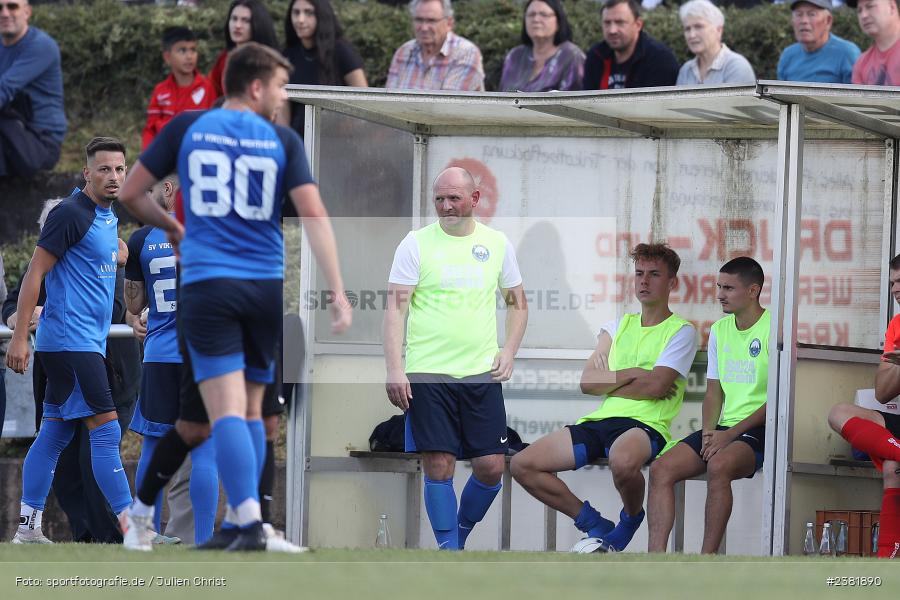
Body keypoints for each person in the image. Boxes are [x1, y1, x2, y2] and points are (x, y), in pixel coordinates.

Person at [116, 42, 352, 552]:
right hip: (261, 287)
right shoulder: (282, 139)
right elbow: (315, 217)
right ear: (256, 86)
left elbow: (131, 193)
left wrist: (173, 226)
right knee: (238, 414)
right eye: (281, 85)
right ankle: (249, 524)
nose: (284, 95)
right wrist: (337, 288)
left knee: (235, 414)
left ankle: (246, 522)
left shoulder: (185, 128)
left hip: (208, 287)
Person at [511, 243, 697, 553]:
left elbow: (656, 387)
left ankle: (631, 517)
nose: (644, 281)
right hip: (600, 421)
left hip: (645, 424)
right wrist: (635, 372)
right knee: (522, 464)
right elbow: (587, 382)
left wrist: (612, 380)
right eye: (639, 274)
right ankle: (593, 523)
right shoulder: (616, 326)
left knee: (622, 462)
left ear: (672, 283)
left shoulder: (682, 331)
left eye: (654, 274)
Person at [384, 166, 528, 550]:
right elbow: (395, 310)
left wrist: (509, 351)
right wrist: (395, 368)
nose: (446, 206)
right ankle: (449, 552)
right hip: (427, 373)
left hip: (481, 374)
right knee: (439, 465)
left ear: (475, 199)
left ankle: (458, 537)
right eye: (439, 199)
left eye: (454, 198)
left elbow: (518, 305)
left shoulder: (497, 244)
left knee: (491, 467)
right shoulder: (415, 244)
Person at [7, 137, 133, 544]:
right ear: (86, 173)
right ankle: (134, 530)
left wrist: (117, 255)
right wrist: (19, 339)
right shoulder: (70, 213)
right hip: (70, 344)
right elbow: (34, 274)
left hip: (79, 344)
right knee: (106, 432)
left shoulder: (105, 216)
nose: (113, 177)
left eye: (119, 169)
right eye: (104, 169)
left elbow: (90, 257)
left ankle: (27, 529)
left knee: (55, 434)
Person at [647, 257, 768, 554]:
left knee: (719, 465)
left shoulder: (774, 328)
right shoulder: (720, 329)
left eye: (729, 288)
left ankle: (707, 560)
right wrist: (709, 433)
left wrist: (728, 436)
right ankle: (654, 559)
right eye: (719, 286)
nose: (720, 294)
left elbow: (777, 399)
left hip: (761, 428)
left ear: (753, 291)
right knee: (661, 468)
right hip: (724, 429)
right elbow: (713, 392)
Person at [123, 174, 219, 548]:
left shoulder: (141, 238)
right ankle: (205, 540)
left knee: (153, 446)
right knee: (205, 449)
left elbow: (134, 305)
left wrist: (140, 317)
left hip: (161, 354)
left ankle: (144, 534)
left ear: (167, 190)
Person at [827, 253, 900, 558]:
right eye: (893, 282)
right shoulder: (897, 324)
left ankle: (888, 557)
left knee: (894, 470)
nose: (896, 289)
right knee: (838, 412)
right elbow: (883, 392)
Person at [280, 0, 367, 136]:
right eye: (296, 12)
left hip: (338, 141)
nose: (300, 20)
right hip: (299, 141)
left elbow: (364, 101)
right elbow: (282, 112)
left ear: (321, 15)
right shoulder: (288, 55)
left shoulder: (341, 51)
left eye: (309, 13)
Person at [0, 0, 66, 178]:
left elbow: (4, 90)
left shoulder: (41, 46)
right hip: (10, 132)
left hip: (40, 142)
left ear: (27, 12)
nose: (5, 13)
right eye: (0, 8)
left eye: (12, 6)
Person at [142, 27, 216, 150]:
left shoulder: (208, 87)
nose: (189, 56)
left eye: (193, 50)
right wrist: (148, 157)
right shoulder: (160, 91)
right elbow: (150, 130)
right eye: (182, 50)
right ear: (167, 57)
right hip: (165, 155)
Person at [386, 0, 484, 91]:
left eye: (431, 21)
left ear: (449, 23)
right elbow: (388, 101)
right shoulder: (403, 52)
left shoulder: (465, 53)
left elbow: (449, 105)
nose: (424, 28)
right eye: (419, 20)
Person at [582, 0, 679, 90]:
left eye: (620, 22)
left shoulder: (660, 60)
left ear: (638, 25)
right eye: (607, 23)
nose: (612, 30)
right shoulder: (595, 56)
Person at [499, 0, 584, 92]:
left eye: (543, 14)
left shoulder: (571, 56)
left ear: (558, 22)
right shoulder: (515, 56)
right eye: (531, 14)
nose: (536, 19)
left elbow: (575, 101)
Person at [208, 0, 279, 99]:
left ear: (258, 24)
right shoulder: (224, 59)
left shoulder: (269, 63)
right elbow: (212, 95)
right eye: (234, 19)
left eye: (245, 20)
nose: (237, 26)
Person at [777, 0, 859, 84]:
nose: (804, 21)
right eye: (799, 14)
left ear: (828, 21)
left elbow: (857, 95)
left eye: (812, 14)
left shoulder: (847, 53)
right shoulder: (788, 55)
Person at [675, 0, 755, 86]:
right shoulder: (686, 70)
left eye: (698, 26)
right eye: (687, 29)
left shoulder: (736, 67)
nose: (692, 35)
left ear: (718, 30)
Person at [853, 0, 900, 85]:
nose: (864, 15)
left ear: (891, 7)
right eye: (859, 11)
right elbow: (858, 98)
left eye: (870, 6)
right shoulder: (861, 63)